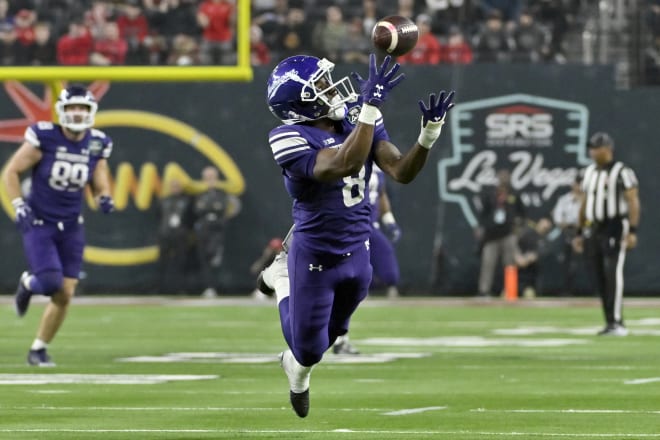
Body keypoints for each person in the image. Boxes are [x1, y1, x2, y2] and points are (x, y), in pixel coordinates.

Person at [264, 53, 455, 417]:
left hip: (357, 248)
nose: (331, 89)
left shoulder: (356, 116)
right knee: (309, 350)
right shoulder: (287, 136)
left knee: (332, 338)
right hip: (314, 256)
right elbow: (342, 164)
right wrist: (367, 110)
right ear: (298, 101)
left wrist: (428, 135)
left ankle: (297, 366)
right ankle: (281, 279)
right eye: (319, 85)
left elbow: (400, 171)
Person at [1, 85, 115, 366]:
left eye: (83, 108)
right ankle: (28, 283)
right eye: (72, 108)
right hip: (40, 223)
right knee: (51, 282)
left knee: (65, 294)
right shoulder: (45, 137)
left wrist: (104, 198)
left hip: (72, 226)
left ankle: (38, 348)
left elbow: (99, 181)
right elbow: (12, 171)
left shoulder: (97, 143)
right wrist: (18, 205)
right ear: (62, 111)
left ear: (91, 112)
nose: (77, 114)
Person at [573, 132, 640, 336]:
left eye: (596, 147)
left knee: (613, 274)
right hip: (594, 227)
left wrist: (632, 231)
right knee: (599, 276)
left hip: (615, 225)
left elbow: (632, 201)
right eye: (591, 148)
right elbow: (585, 203)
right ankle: (609, 321)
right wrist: (579, 230)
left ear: (608, 148)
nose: (592, 151)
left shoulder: (622, 171)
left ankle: (617, 322)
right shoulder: (589, 172)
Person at [475, 168, 525, 298]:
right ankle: (484, 291)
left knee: (510, 264)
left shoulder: (514, 194)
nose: (503, 180)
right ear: (497, 179)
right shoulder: (491, 194)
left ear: (509, 179)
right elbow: (483, 214)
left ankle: (510, 291)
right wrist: (480, 227)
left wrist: (518, 227)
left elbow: (522, 213)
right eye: (501, 177)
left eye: (506, 177)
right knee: (488, 263)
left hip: (508, 234)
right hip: (491, 236)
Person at [193, 165, 241, 297]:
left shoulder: (222, 194)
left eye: (211, 177)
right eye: (207, 178)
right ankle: (209, 287)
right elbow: (198, 210)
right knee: (204, 259)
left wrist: (212, 211)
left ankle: (222, 287)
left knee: (215, 257)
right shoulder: (200, 195)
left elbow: (223, 210)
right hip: (203, 231)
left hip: (217, 232)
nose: (209, 180)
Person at [157, 177, 194, 294]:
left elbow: (191, 218)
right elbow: (158, 216)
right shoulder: (163, 200)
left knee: (181, 262)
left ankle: (181, 288)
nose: (175, 189)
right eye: (173, 186)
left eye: (177, 186)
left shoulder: (187, 200)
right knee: (163, 262)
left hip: (181, 235)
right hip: (166, 234)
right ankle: (161, 287)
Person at [552, 175, 583, 296]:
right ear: (573, 184)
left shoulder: (589, 199)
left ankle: (595, 290)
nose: (579, 186)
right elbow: (558, 219)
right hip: (568, 232)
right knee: (568, 262)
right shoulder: (564, 200)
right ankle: (567, 290)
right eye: (578, 183)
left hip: (586, 232)